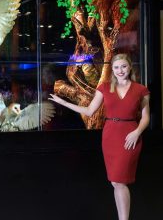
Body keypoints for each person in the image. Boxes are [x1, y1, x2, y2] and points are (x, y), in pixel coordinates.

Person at [48, 53, 150, 220]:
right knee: (115, 182)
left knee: (119, 181)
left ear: (130, 67)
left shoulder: (141, 90)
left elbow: (146, 117)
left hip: (130, 134)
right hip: (110, 135)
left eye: (123, 66)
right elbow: (89, 111)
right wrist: (64, 103)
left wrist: (137, 132)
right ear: (112, 70)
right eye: (116, 67)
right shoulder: (104, 87)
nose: (120, 70)